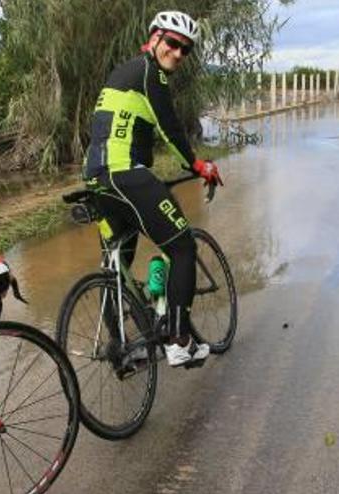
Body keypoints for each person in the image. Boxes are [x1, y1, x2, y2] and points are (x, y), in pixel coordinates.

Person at [83, 11, 224, 367]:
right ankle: (179, 340)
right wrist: (198, 165)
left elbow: (123, 129)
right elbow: (170, 127)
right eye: (173, 43)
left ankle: (122, 349)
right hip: (126, 175)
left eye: (185, 49)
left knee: (117, 268)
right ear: (154, 38)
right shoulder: (150, 73)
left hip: (98, 180)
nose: (177, 53)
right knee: (181, 247)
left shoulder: (123, 72)